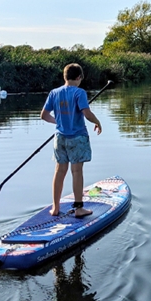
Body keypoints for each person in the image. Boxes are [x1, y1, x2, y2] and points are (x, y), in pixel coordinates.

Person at [41, 63, 102, 217]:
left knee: (59, 171)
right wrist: (97, 122)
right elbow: (86, 113)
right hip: (77, 137)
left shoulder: (54, 93)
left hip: (59, 137)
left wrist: (59, 122)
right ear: (79, 77)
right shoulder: (79, 92)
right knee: (77, 172)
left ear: (65, 76)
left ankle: (55, 208)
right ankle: (79, 208)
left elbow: (44, 115)